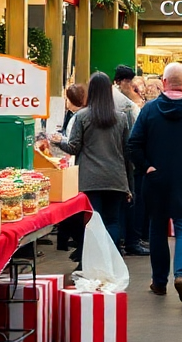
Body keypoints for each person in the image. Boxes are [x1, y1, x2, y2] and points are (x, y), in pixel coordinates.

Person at [128, 63, 182, 304]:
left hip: (155, 180)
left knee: (157, 228)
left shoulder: (149, 110)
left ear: (164, 82)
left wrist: (146, 166)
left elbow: (133, 144)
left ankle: (159, 282)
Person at [51, 73, 133, 258]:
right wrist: (129, 185)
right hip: (116, 178)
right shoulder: (121, 118)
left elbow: (73, 147)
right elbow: (127, 153)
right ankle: (111, 261)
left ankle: (93, 262)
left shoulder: (82, 116)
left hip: (90, 179)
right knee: (112, 222)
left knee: (92, 222)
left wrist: (58, 141)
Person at [115, 65, 149, 257]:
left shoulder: (107, 101)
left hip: (115, 161)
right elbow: (136, 134)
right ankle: (132, 241)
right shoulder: (127, 105)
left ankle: (121, 241)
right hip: (130, 161)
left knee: (119, 205)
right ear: (124, 82)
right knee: (132, 201)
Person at [54, 82, 90, 252]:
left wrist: (58, 141)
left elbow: (72, 144)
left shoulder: (78, 117)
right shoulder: (79, 116)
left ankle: (70, 240)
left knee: (72, 208)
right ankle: (67, 241)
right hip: (77, 165)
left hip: (75, 166)